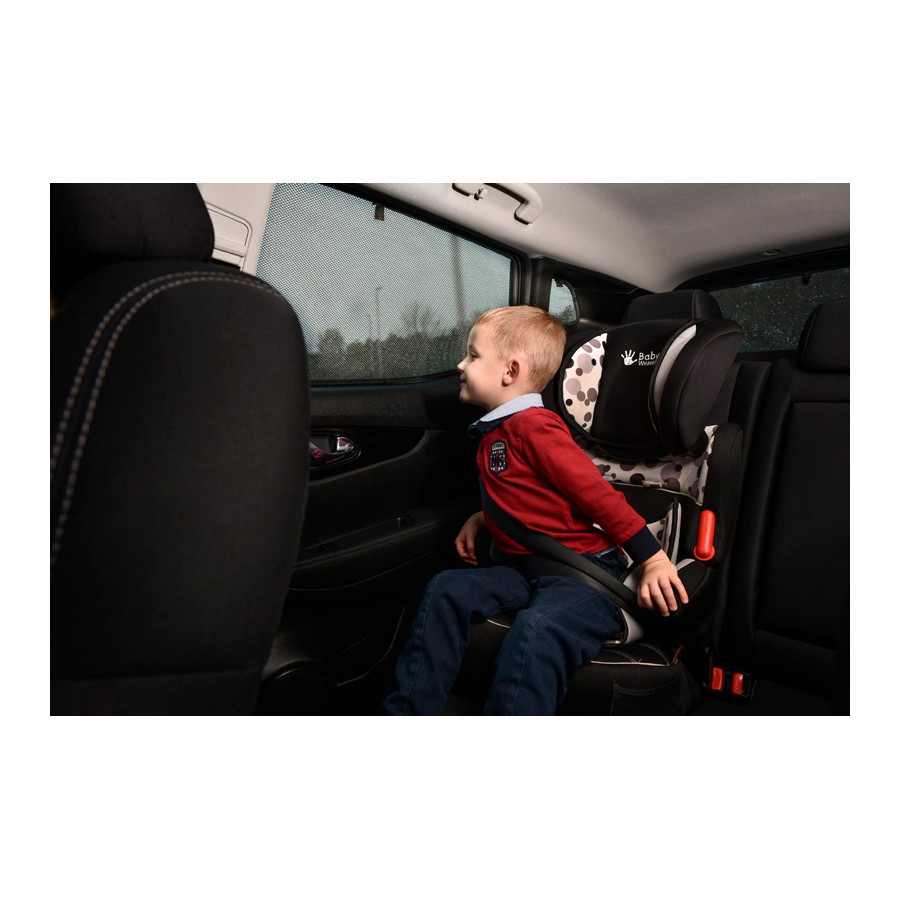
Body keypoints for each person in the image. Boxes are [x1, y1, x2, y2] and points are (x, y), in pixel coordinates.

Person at [382, 306, 687, 715]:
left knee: (540, 627)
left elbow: (599, 497)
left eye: (473, 355)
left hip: (582, 573)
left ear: (510, 371)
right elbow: (525, 496)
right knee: (447, 588)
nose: (461, 365)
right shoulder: (496, 430)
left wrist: (653, 559)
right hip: (524, 570)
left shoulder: (534, 427)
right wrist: (481, 518)